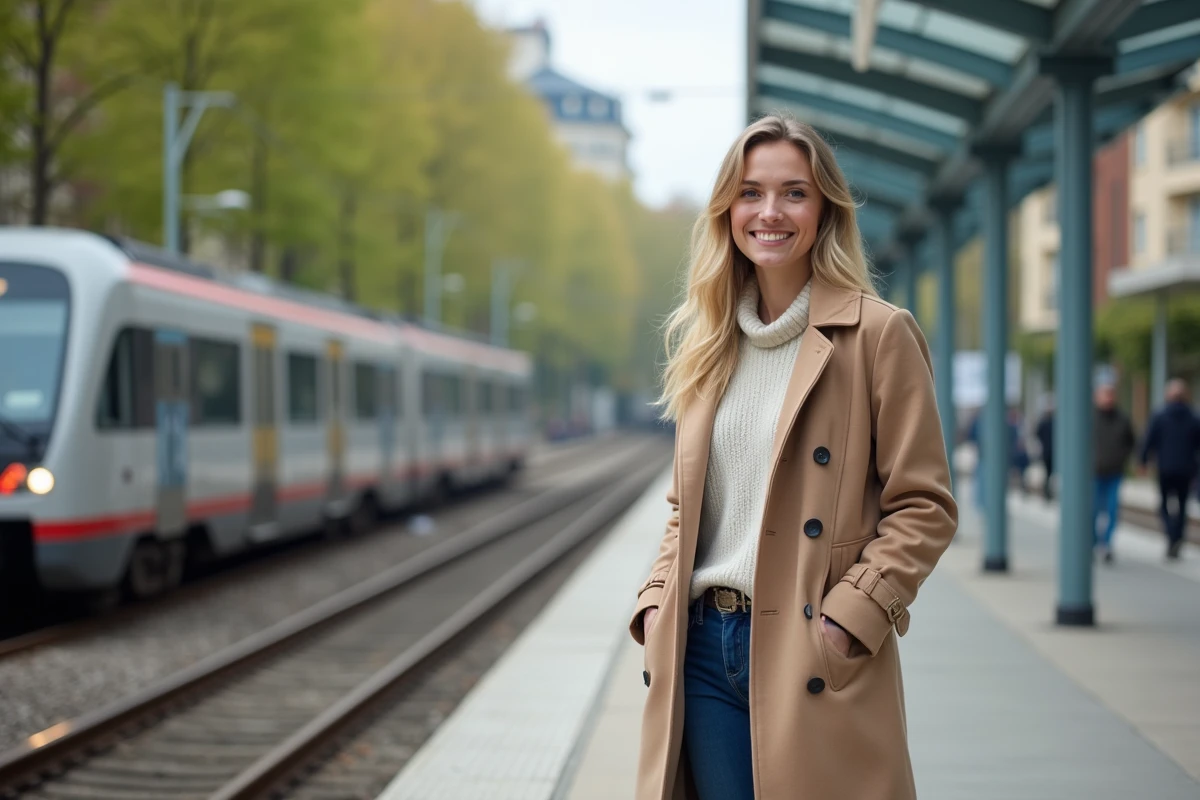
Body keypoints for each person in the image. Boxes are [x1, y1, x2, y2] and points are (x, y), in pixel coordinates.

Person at [629, 114, 958, 800]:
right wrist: (657, 602)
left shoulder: (877, 334)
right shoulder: (709, 344)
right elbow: (687, 507)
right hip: (701, 651)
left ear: (824, 210)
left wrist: (851, 618)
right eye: (750, 193)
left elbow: (925, 506)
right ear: (727, 211)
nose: (769, 212)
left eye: (793, 193)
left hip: (811, 644)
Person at [1139, 378, 1200, 560]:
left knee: (1164, 504)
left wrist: (1142, 460)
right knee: (1182, 505)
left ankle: (1171, 534)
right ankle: (1178, 536)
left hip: (1165, 467)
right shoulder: (1193, 417)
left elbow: (1149, 439)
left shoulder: (1159, 415)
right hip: (1186, 469)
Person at [1093, 383, 1136, 563]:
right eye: (1104, 395)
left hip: (1114, 471)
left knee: (1112, 509)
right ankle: (1093, 542)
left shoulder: (1122, 418)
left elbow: (1131, 441)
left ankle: (1107, 544)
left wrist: (1123, 458)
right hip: (1093, 472)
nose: (1108, 399)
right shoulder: (1089, 418)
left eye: (1110, 395)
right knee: (1092, 510)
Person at [1035, 397, 1055, 501]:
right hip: (1048, 451)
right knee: (1048, 473)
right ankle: (1047, 492)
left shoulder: (1049, 421)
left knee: (1049, 473)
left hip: (1049, 451)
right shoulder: (1047, 422)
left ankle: (1048, 492)